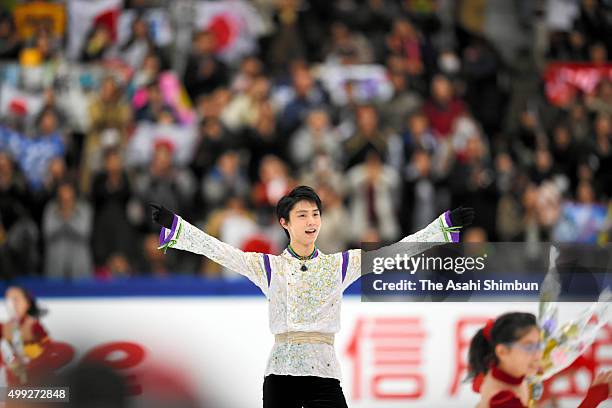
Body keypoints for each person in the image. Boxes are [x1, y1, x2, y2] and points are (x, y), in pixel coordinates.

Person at [151, 185, 474, 407]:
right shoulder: (269, 267)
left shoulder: (341, 264)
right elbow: (222, 251)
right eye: (302, 215)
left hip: (324, 374)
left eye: (315, 214)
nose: (311, 221)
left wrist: (442, 226)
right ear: (284, 223)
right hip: (280, 374)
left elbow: (394, 253)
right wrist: (176, 226)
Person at [468, 312, 611, 407]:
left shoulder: (510, 374)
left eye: (539, 346)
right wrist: (592, 399)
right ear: (502, 351)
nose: (538, 355)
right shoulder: (501, 397)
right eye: (529, 347)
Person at [0, 286, 51, 385]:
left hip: (34, 379)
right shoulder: (3, 327)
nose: (11, 304)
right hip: (12, 381)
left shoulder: (33, 325)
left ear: (27, 303)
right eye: (8, 300)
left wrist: (31, 362)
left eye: (16, 299)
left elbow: (48, 349)